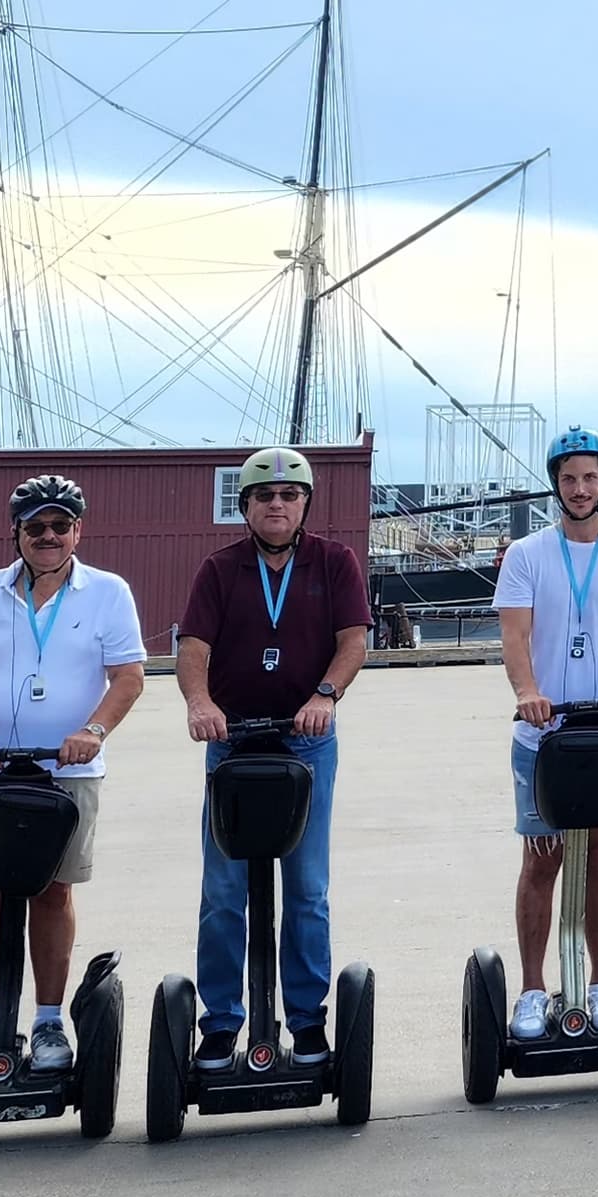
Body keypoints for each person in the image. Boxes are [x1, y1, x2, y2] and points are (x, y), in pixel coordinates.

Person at [0, 474, 151, 1080]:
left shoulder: (107, 592)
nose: (48, 536)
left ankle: (49, 1020)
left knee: (54, 891)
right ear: (17, 534)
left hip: (69, 769)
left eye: (60, 526)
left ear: (78, 530)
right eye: (36, 527)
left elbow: (128, 676)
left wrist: (94, 732)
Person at [176, 444, 369, 1066]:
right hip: (232, 743)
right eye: (264, 496)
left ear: (305, 503)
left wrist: (326, 694)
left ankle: (308, 1022)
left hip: (305, 740)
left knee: (307, 888)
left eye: (289, 495)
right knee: (223, 890)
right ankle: (222, 1023)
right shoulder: (219, 568)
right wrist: (200, 705)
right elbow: (193, 648)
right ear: (247, 506)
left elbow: (353, 640)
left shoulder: (334, 562)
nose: (277, 504)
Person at [494, 426, 598, 1038]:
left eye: (590, 477)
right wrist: (527, 693)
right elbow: (515, 636)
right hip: (543, 735)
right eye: (569, 478)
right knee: (541, 860)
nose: (580, 488)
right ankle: (533, 990)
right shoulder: (526, 555)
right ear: (556, 484)